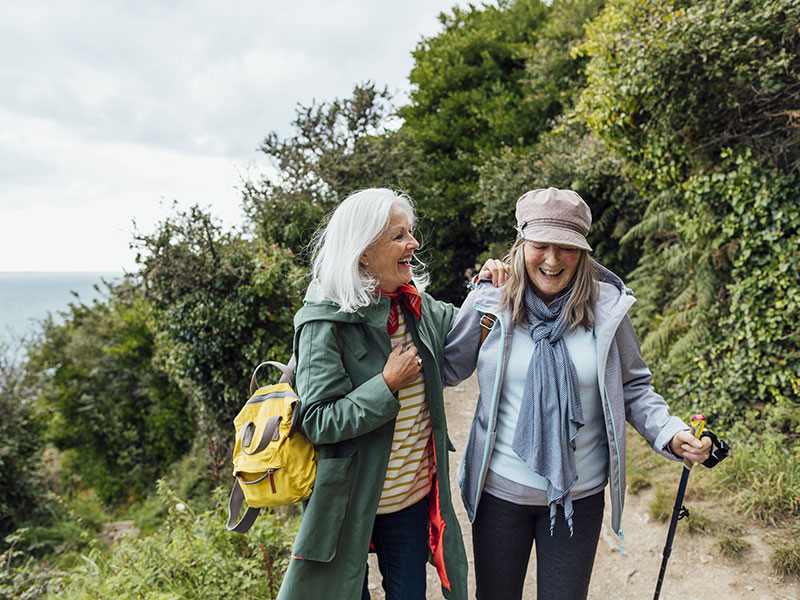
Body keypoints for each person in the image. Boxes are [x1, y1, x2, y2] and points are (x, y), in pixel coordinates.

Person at [443, 187, 712, 600]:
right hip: (499, 494)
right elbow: (447, 367)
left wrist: (670, 433)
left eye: (566, 247)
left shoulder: (607, 309)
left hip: (580, 497)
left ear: (583, 252)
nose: (552, 260)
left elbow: (635, 387)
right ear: (521, 244)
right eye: (540, 245)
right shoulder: (490, 301)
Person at [277, 188, 469, 600]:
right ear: (363, 252)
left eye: (410, 234)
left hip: (409, 501)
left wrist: (490, 284)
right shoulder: (323, 324)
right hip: (347, 503)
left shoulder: (413, 305)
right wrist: (385, 385)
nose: (413, 244)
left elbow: (468, 323)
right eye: (398, 236)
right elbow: (318, 421)